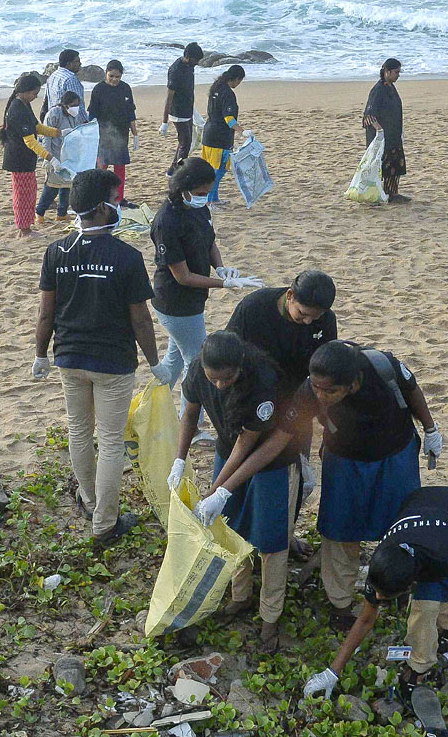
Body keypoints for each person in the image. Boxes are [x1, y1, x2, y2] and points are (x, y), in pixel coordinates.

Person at [226, 340, 443, 630]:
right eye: (316, 387)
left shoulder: (383, 366)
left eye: (330, 391)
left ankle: (400, 583)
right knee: (340, 532)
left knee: (400, 526)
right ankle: (340, 602)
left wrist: (430, 429)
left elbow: (413, 390)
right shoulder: (311, 390)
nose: (321, 395)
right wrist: (227, 486)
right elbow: (280, 438)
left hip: (394, 455)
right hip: (343, 460)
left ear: (353, 385)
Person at [33, 169, 166, 545]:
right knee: (109, 441)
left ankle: (90, 501)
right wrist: (155, 361)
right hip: (112, 363)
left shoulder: (56, 252)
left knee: (79, 431)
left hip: (70, 358)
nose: (119, 205)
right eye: (116, 198)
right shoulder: (125, 256)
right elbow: (140, 318)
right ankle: (105, 524)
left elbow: (46, 313)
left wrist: (41, 354)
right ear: (104, 207)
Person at [303, 486, 448, 701]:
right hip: (423, 502)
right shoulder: (384, 560)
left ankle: (427, 661)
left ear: (411, 584)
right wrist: (332, 672)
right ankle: (444, 629)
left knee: (437, 599)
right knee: (429, 601)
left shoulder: (446, 556)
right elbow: (365, 620)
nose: (379, 599)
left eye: (387, 596)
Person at [170, 332, 300, 651]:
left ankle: (270, 616)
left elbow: (248, 444)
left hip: (271, 461)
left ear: (239, 368)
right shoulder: (201, 370)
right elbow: (189, 412)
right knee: (231, 531)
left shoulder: (264, 383)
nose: (218, 386)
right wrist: (179, 458)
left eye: (226, 379)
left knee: (271, 543)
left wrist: (219, 490)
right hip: (228, 449)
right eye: (213, 379)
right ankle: (240, 596)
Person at [226, 270, 339, 553]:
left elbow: (323, 369)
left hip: (297, 406)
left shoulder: (325, 320)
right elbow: (230, 358)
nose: (309, 321)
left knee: (294, 478)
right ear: (290, 295)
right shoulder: (253, 310)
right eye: (302, 314)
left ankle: (285, 534)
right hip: (253, 403)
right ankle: (241, 536)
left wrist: (321, 412)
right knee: (246, 469)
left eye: (315, 316)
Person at [151, 158, 262, 441]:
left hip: (193, 301)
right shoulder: (167, 220)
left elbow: (209, 241)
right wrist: (224, 283)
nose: (204, 199)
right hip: (176, 303)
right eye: (200, 193)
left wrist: (221, 267)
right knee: (196, 363)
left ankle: (151, 412)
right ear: (184, 189)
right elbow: (182, 276)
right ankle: (192, 426)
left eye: (207, 193)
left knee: (173, 363)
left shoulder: (198, 211)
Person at [0, 72, 66, 239]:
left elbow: (37, 127)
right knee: (22, 194)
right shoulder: (17, 108)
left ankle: (27, 225)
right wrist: (51, 158)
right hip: (19, 158)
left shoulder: (24, 105)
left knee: (30, 192)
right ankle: (24, 229)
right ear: (25, 91)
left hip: (26, 158)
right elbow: (30, 141)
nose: (35, 97)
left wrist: (59, 132)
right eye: (34, 94)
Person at [87, 60, 138, 206]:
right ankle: (99, 198)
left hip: (121, 132)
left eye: (117, 77)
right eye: (111, 76)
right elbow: (92, 114)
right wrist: (92, 133)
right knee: (102, 166)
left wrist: (135, 133)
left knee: (120, 166)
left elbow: (130, 112)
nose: (114, 79)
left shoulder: (125, 88)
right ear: (106, 73)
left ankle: (119, 198)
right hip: (103, 133)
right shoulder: (98, 89)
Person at [363, 59, 407, 203]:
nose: (398, 75)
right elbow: (369, 115)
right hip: (381, 137)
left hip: (393, 134)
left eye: (399, 72)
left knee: (394, 164)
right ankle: (373, 195)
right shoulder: (378, 90)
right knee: (378, 166)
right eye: (396, 72)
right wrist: (379, 131)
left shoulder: (390, 87)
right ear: (387, 72)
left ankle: (392, 193)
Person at [36, 90, 83, 224]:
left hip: (69, 155)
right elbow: (46, 137)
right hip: (54, 154)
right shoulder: (54, 114)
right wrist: (48, 157)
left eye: (77, 105)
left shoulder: (74, 115)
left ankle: (62, 213)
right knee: (52, 187)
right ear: (65, 105)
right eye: (73, 105)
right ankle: (39, 212)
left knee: (67, 186)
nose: (76, 107)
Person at [202, 64, 245, 205]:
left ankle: (214, 199)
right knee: (218, 171)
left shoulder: (216, 87)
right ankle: (209, 201)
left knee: (212, 170)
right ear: (236, 79)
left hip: (208, 134)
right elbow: (229, 118)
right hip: (220, 138)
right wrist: (242, 131)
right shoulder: (228, 93)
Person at [160, 42, 204, 175]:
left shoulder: (189, 66)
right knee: (185, 144)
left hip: (188, 109)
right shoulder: (176, 71)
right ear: (187, 56)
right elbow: (169, 97)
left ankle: (173, 169)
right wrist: (164, 122)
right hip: (178, 112)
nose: (197, 63)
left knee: (185, 142)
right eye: (196, 60)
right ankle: (178, 170)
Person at [45, 49, 88, 121]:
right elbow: (78, 106)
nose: (80, 64)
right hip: (68, 121)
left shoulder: (53, 76)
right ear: (69, 64)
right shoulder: (71, 79)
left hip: (53, 119)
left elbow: (47, 100)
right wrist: (85, 122)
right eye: (77, 61)